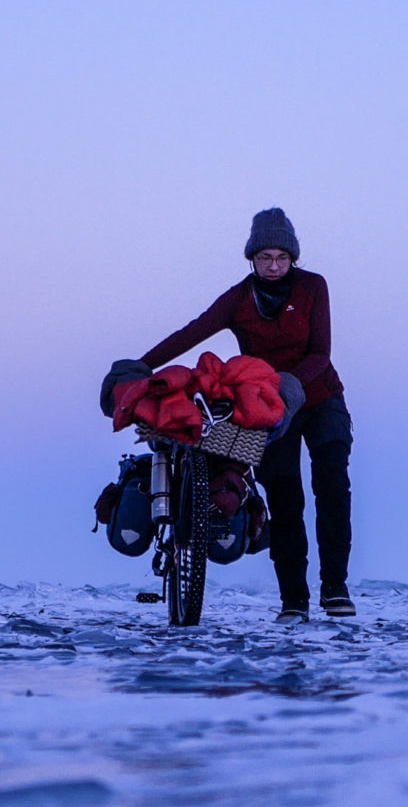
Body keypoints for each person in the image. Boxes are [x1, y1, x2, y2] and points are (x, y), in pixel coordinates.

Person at [131, 208, 354, 624]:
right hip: (266, 408)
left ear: (293, 259)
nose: (273, 266)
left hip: (320, 398)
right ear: (252, 258)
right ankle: (294, 601)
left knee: (333, 489)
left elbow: (321, 353)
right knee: (285, 498)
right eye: (265, 257)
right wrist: (141, 366)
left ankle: (335, 589)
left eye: (282, 258)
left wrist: (288, 383)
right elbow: (192, 331)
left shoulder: (312, 288)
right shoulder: (239, 298)